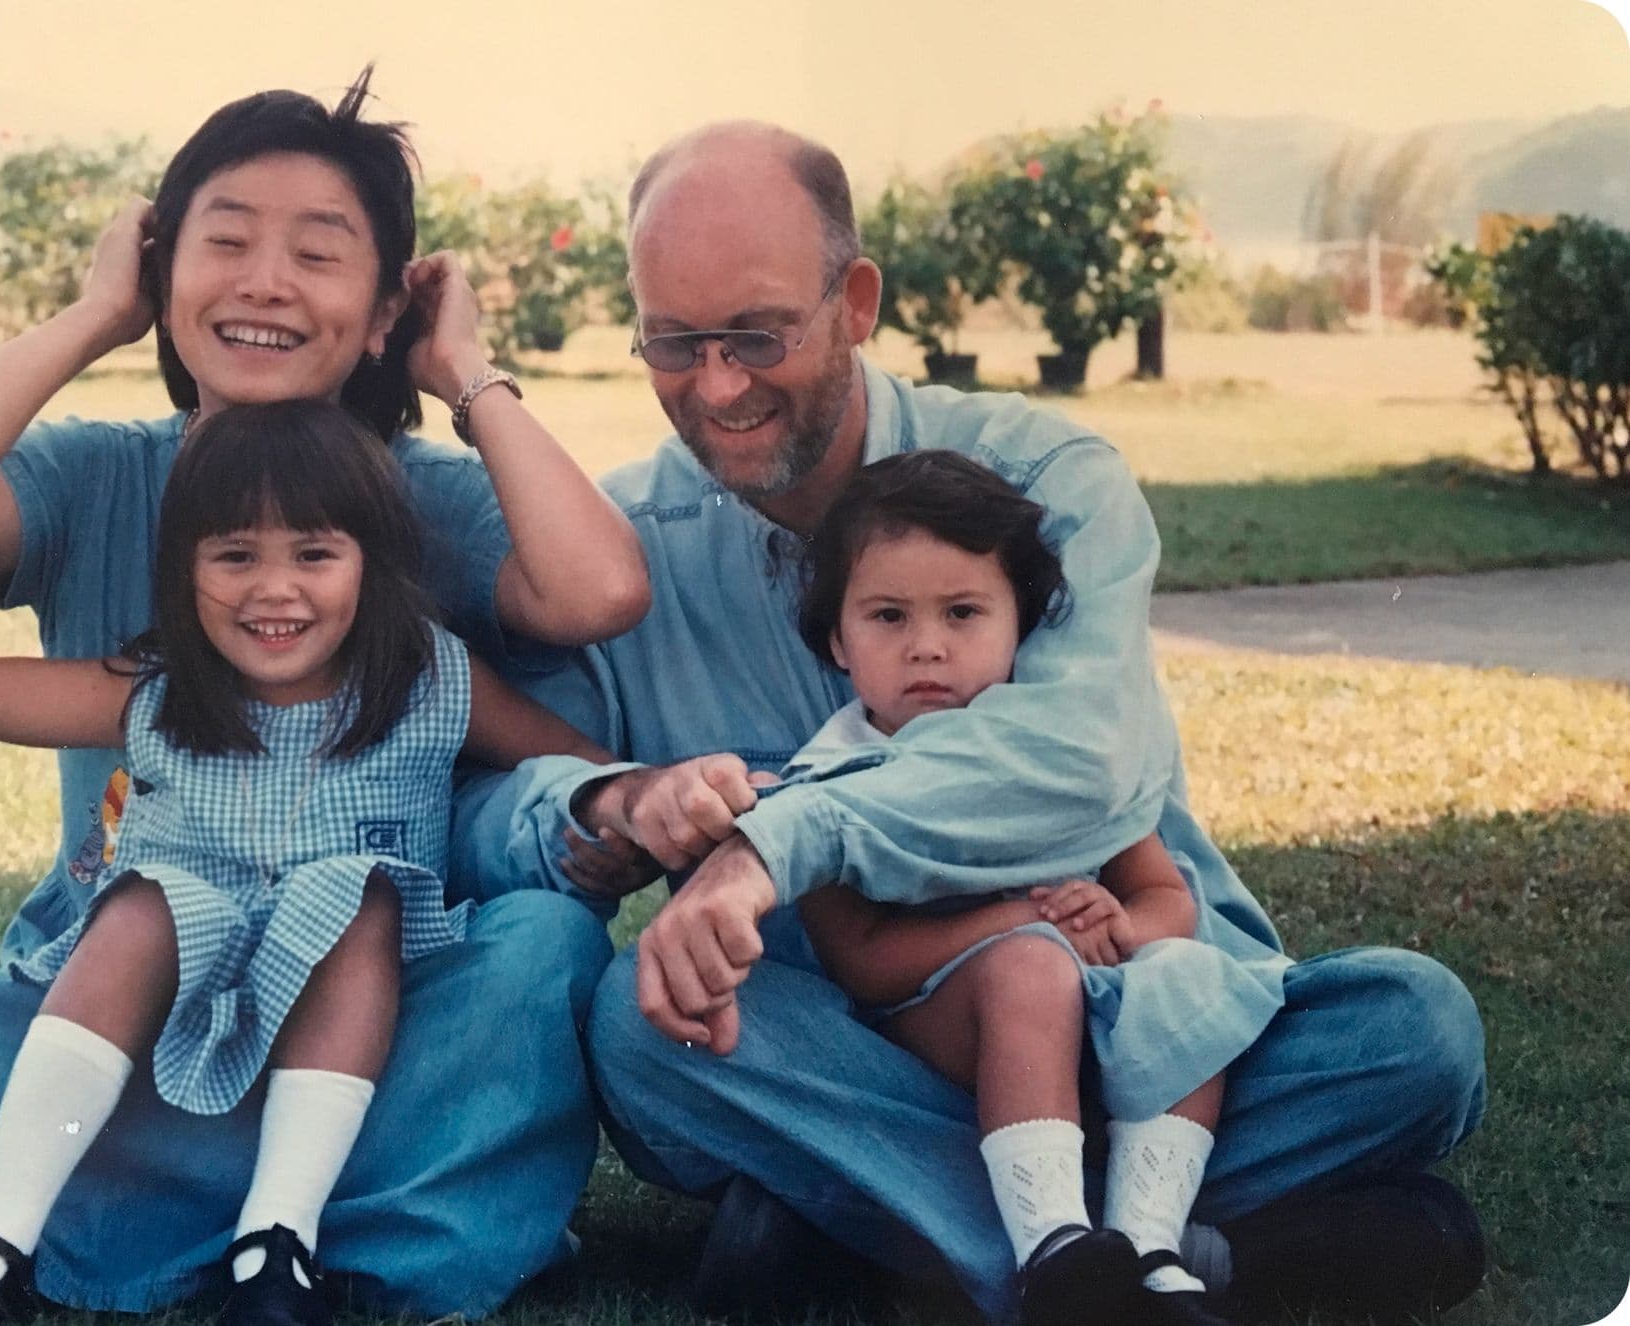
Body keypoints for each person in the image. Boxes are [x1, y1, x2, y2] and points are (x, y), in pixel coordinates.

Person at [453, 120, 1486, 1325]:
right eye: (675, 342)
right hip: (857, 1044)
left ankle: (885, 1238)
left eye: (759, 333)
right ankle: (1175, 1257)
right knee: (642, 1034)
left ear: (856, 301)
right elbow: (492, 798)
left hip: (1145, 1029)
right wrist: (608, 801)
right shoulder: (621, 550)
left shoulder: (1043, 478)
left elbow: (1081, 758)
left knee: (1416, 1032)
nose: (717, 383)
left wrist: (772, 846)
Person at [0, 71, 648, 1318]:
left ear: (389, 304)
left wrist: (473, 373)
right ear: (161, 270)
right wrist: (88, 316)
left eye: (319, 254)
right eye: (223, 243)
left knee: (540, 948)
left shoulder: (418, 497)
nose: (265, 283)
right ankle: (293, 1224)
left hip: (364, 1024)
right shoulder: (102, 476)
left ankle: (121, 1219)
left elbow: (601, 591)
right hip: (118, 1011)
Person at [0, 401, 617, 1326]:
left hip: (355, 1015)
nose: (275, 589)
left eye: (313, 554)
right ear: (181, 570)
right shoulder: (156, 693)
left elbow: (581, 766)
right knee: (140, 906)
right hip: (165, 994)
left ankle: (275, 1252)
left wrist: (670, 795)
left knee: (359, 897)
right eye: (234, 556)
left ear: (372, 563)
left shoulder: (432, 679)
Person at [782, 448, 1280, 1326]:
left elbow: (1166, 899)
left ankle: (1147, 1248)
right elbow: (860, 963)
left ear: (1020, 626)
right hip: (940, 1038)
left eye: (964, 613)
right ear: (835, 636)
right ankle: (1051, 1247)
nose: (926, 645)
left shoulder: (1053, 762)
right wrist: (1024, 926)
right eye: (887, 616)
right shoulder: (829, 779)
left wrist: (1117, 923)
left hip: (1100, 1037)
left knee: (1194, 978)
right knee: (1026, 968)